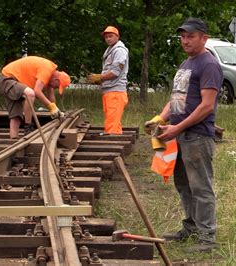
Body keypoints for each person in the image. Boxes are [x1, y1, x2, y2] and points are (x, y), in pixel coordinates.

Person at [144, 17, 223, 252]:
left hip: (197, 136)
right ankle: (191, 228)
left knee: (200, 186)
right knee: (183, 184)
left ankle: (207, 237)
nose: (185, 40)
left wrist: (177, 128)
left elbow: (207, 105)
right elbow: (176, 98)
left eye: (191, 36)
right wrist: (160, 119)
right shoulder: (187, 63)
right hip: (179, 136)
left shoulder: (208, 64)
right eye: (183, 36)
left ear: (204, 38)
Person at [0, 56, 71, 139]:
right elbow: (37, 91)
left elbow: (50, 96)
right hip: (7, 80)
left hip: (17, 82)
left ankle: (13, 141)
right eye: (57, 87)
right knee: (30, 94)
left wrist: (57, 112)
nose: (55, 88)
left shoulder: (50, 75)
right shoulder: (47, 69)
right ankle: (28, 126)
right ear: (56, 80)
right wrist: (51, 108)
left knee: (16, 117)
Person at [87, 26, 129, 135]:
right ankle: (116, 140)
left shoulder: (119, 51)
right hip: (110, 91)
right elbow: (109, 71)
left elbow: (115, 72)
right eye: (106, 37)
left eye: (111, 36)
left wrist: (100, 77)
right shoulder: (110, 50)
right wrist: (100, 80)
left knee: (112, 124)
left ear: (117, 36)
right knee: (112, 121)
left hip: (115, 92)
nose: (108, 39)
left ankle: (112, 145)